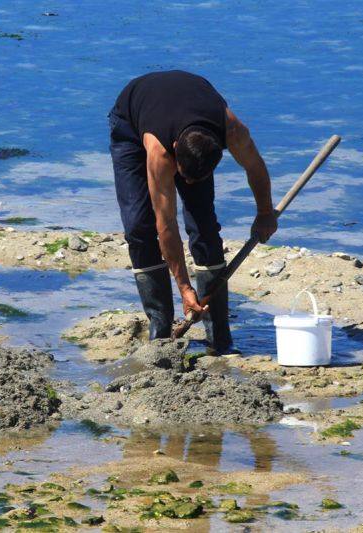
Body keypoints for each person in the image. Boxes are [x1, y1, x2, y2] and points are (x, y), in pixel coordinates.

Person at [109, 70, 277, 355]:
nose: (186, 183)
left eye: (194, 179)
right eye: (183, 176)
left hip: (190, 111)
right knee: (140, 226)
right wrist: (185, 287)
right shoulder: (160, 153)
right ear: (175, 152)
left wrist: (264, 212)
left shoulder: (233, 132)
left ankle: (219, 337)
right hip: (132, 121)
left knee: (204, 226)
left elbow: (255, 166)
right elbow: (166, 225)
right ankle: (160, 332)